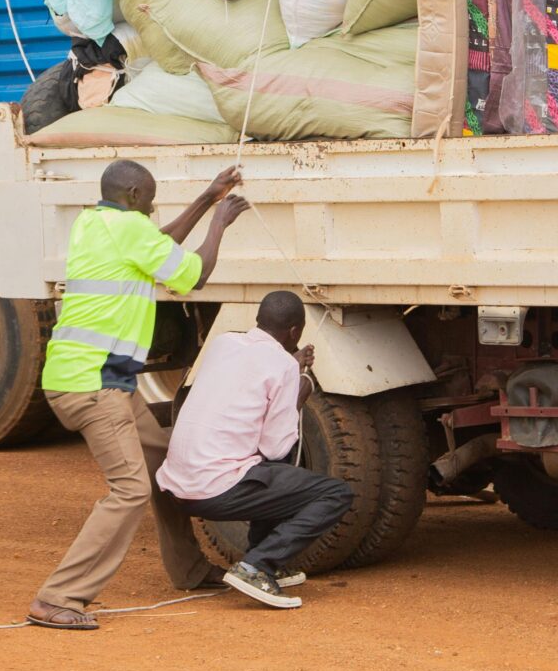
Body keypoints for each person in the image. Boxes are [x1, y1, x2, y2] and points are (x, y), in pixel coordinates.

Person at [26, 159, 250, 631]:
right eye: (148, 198)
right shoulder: (130, 229)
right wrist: (219, 223)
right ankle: (59, 596)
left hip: (94, 378)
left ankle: (188, 569)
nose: (152, 207)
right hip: (93, 385)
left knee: (164, 464)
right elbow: (194, 275)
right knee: (129, 489)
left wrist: (208, 196)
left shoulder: (96, 221)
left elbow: (158, 243)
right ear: (131, 194)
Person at [156, 291, 352, 610]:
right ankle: (256, 565)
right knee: (335, 493)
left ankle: (263, 558)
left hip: (176, 488)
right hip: (214, 490)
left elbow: (253, 370)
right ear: (294, 332)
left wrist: (290, 365)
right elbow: (275, 448)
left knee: (272, 473)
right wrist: (298, 392)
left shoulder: (223, 343)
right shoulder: (284, 369)